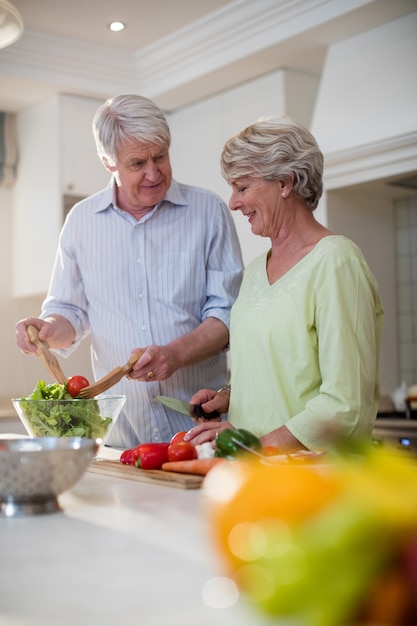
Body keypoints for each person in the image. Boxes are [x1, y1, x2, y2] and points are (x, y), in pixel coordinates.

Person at [15, 94, 244, 448]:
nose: (154, 173)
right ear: (109, 162)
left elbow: (228, 314)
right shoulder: (81, 222)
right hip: (121, 438)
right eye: (137, 163)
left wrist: (176, 354)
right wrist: (47, 330)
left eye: (160, 156)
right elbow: (69, 314)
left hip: (202, 430)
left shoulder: (208, 212)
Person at [185, 115, 384, 456]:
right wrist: (230, 395)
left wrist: (256, 449)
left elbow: (345, 403)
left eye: (242, 187)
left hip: (309, 482)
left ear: (285, 183)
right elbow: (282, 366)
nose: (232, 202)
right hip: (256, 480)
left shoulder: (337, 262)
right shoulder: (253, 272)